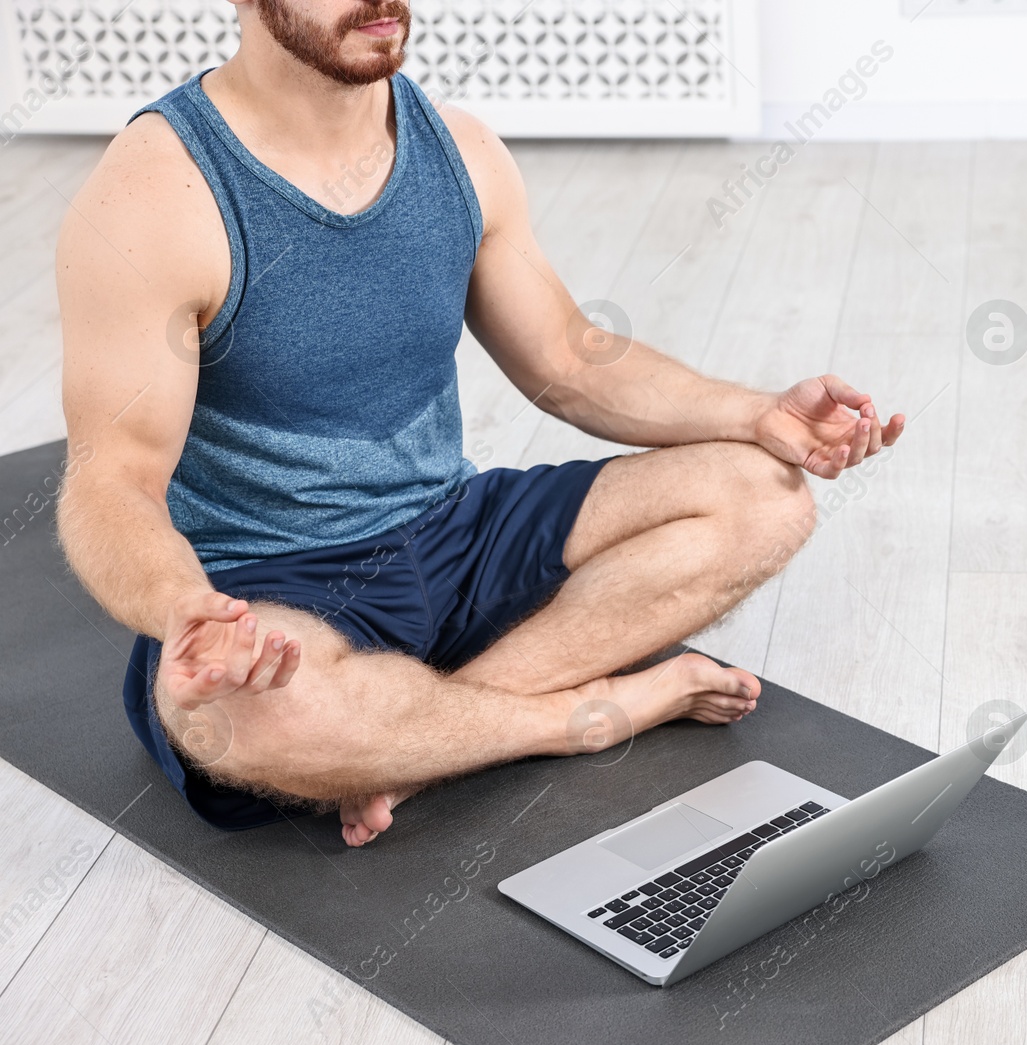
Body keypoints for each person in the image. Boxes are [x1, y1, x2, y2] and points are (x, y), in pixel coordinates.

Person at [54, 0, 904, 846]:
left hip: (457, 532)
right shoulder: (154, 196)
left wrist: (757, 412)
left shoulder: (460, 150)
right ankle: (572, 716)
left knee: (769, 495)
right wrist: (186, 611)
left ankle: (414, 749)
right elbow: (112, 478)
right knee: (224, 718)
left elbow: (567, 362)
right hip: (278, 586)